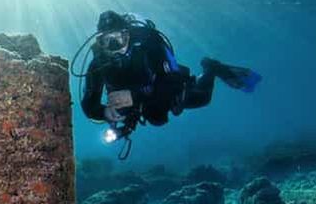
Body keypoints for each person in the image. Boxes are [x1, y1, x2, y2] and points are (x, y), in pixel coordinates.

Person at [80, 10, 261, 141]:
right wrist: (103, 112)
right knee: (152, 116)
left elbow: (172, 81)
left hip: (161, 90)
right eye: (107, 41)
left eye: (118, 39)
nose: (114, 47)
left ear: (128, 35)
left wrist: (135, 95)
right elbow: (88, 105)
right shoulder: (98, 63)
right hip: (134, 103)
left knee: (202, 99)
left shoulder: (149, 45)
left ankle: (211, 68)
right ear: (100, 43)